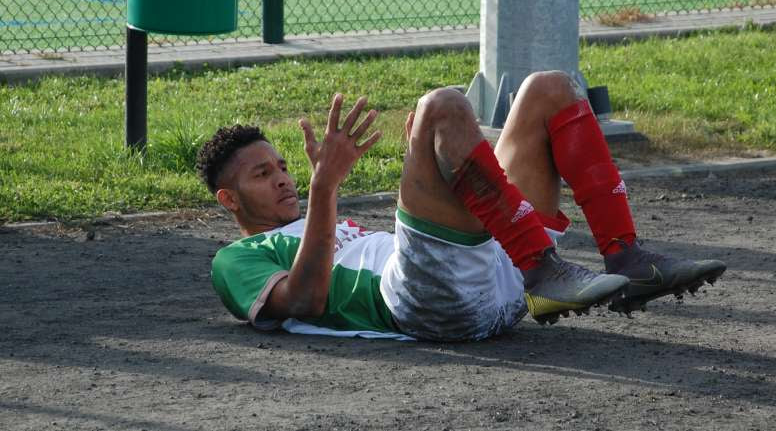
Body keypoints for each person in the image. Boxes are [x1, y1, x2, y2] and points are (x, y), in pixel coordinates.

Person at [197, 71, 726, 341]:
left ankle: (625, 256)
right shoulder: (235, 260)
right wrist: (325, 188)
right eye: (262, 175)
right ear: (229, 199)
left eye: (283, 167)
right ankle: (541, 270)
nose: (284, 179)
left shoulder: (321, 220)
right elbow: (306, 302)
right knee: (442, 106)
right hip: (429, 309)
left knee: (550, 87)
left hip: (488, 278)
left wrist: (430, 162)